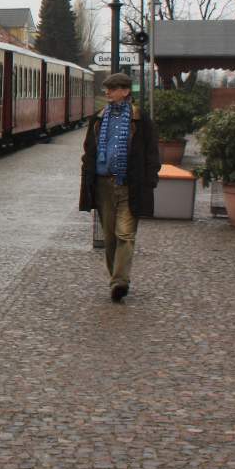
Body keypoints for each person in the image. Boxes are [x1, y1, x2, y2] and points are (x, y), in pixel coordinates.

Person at [78, 72, 160, 303]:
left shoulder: (140, 120)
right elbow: (89, 151)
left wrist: (149, 181)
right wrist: (87, 177)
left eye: (112, 89)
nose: (108, 93)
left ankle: (119, 282)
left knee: (125, 234)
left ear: (125, 91)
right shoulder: (98, 119)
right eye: (107, 89)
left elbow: (151, 153)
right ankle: (116, 276)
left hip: (129, 185)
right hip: (103, 185)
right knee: (110, 238)